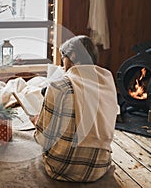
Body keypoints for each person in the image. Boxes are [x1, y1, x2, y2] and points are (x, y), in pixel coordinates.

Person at [32, 35, 118, 182]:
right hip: (99, 167)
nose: (62, 64)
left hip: (61, 167)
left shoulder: (58, 87)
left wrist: (37, 122)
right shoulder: (107, 80)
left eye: (63, 58)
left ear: (72, 56)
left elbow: (43, 139)